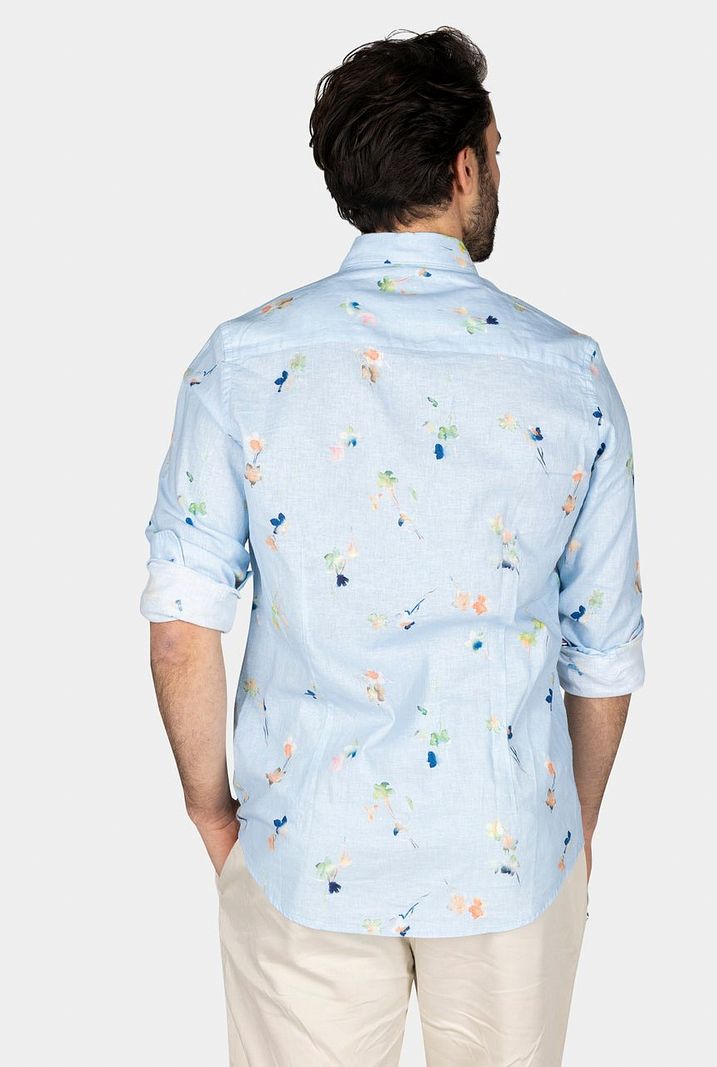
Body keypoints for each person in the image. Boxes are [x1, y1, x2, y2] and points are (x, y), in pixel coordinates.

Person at [139, 25, 645, 1067]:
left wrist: (211, 811)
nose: (498, 172)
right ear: (463, 168)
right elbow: (602, 653)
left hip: (302, 846)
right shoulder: (569, 372)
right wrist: (572, 827)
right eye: (496, 152)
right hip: (509, 853)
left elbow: (183, 625)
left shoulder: (242, 362)